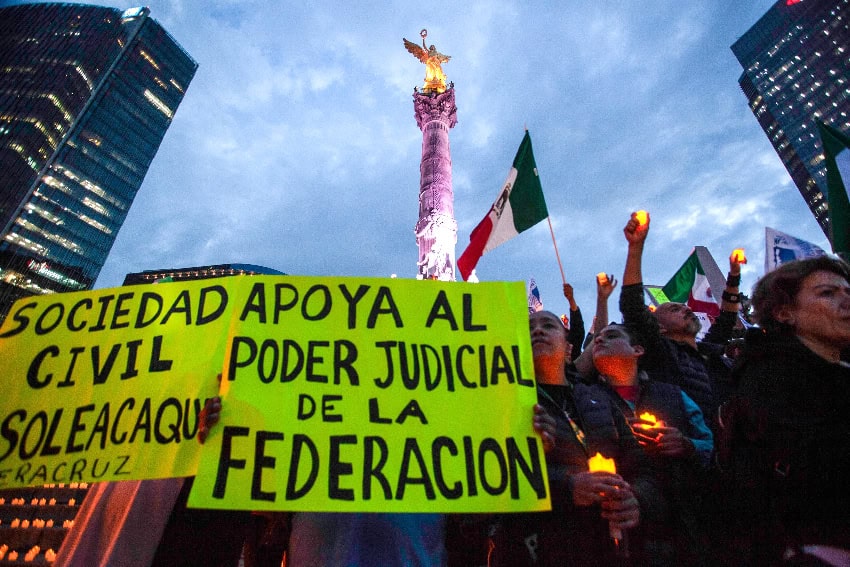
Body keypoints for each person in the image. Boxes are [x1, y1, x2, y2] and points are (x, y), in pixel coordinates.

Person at [488, 310, 662, 566]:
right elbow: (488, 480)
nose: (537, 331)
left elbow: (643, 468)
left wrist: (637, 500)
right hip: (537, 547)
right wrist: (567, 488)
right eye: (528, 328)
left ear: (568, 346)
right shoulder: (500, 404)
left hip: (611, 548)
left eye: (548, 325)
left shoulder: (600, 399)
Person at [719, 257, 850, 565]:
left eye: (848, 291)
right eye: (827, 294)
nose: (846, 301)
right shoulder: (768, 382)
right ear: (785, 313)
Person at [590, 323, 713, 565]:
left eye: (611, 336)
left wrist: (686, 445)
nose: (599, 341)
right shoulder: (587, 398)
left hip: (682, 525)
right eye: (597, 339)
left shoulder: (673, 395)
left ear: (637, 350)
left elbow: (710, 447)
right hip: (616, 531)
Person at [619, 212, 742, 431]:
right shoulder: (660, 352)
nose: (685, 309)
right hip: (686, 447)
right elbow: (633, 307)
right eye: (674, 308)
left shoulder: (707, 352)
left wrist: (733, 276)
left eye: (684, 307)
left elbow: (726, 320)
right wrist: (635, 248)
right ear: (660, 327)